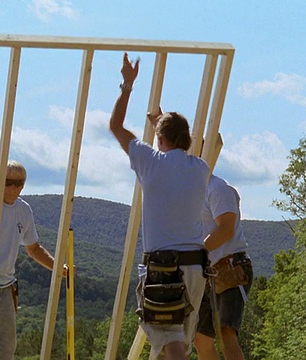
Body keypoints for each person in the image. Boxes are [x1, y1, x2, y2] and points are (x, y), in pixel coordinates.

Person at [109, 52, 209, 360]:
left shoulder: (150, 162)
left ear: (159, 139)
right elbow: (171, 155)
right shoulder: (200, 168)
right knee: (173, 345)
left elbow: (115, 125)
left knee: (172, 345)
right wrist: (162, 125)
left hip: (164, 268)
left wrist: (127, 84)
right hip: (195, 267)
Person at [0, 160, 62, 360]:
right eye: (8, 182)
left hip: (6, 285)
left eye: (18, 183)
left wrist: (59, 267)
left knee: (7, 346)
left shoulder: (24, 210)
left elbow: (33, 248)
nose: (13, 188)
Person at [194, 174, 253, 360]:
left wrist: (195, 252)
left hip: (231, 267)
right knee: (200, 338)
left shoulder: (217, 188)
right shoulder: (191, 193)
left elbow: (226, 229)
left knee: (226, 334)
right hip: (207, 272)